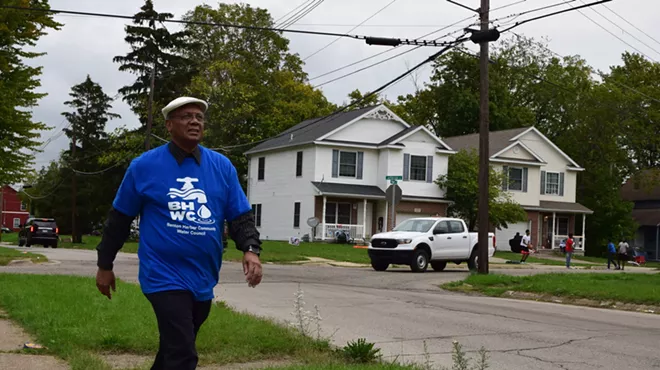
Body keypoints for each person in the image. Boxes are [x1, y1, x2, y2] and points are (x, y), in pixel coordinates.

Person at [95, 97, 263, 370]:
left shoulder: (222, 167)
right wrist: (105, 265)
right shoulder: (144, 166)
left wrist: (251, 249)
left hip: (202, 277)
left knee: (173, 351)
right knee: (184, 354)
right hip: (162, 275)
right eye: (186, 116)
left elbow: (240, 217)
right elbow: (119, 219)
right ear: (169, 126)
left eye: (198, 117)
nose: (194, 121)